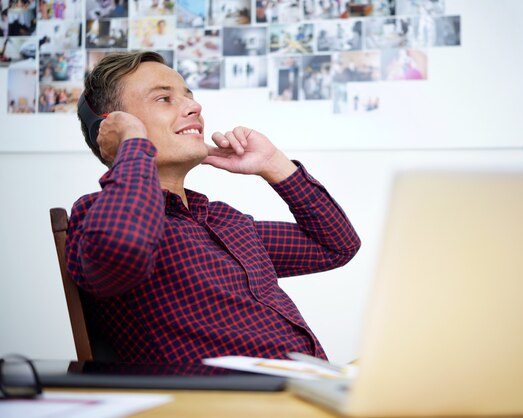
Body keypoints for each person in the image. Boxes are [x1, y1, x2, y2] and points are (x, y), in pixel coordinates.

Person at [67, 51, 361, 364]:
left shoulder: (223, 221)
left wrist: (273, 164)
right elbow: (126, 248)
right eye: (164, 99)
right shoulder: (96, 215)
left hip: (311, 387)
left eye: (188, 97)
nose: (194, 107)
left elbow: (336, 246)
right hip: (231, 402)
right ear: (111, 126)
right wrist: (132, 143)